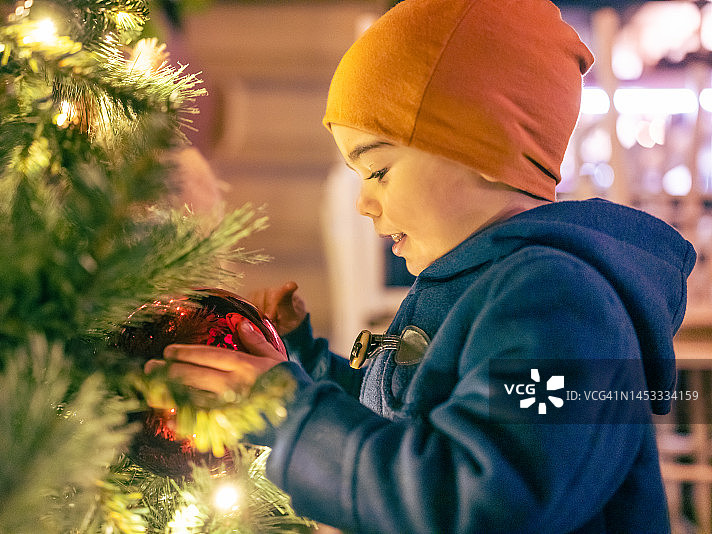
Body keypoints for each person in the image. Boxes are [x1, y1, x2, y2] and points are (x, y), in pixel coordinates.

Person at [149, 0, 697, 532]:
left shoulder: (562, 305)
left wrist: (294, 414)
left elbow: (476, 497)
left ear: (483, 146)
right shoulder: (479, 279)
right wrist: (304, 366)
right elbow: (411, 425)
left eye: (379, 170)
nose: (363, 203)